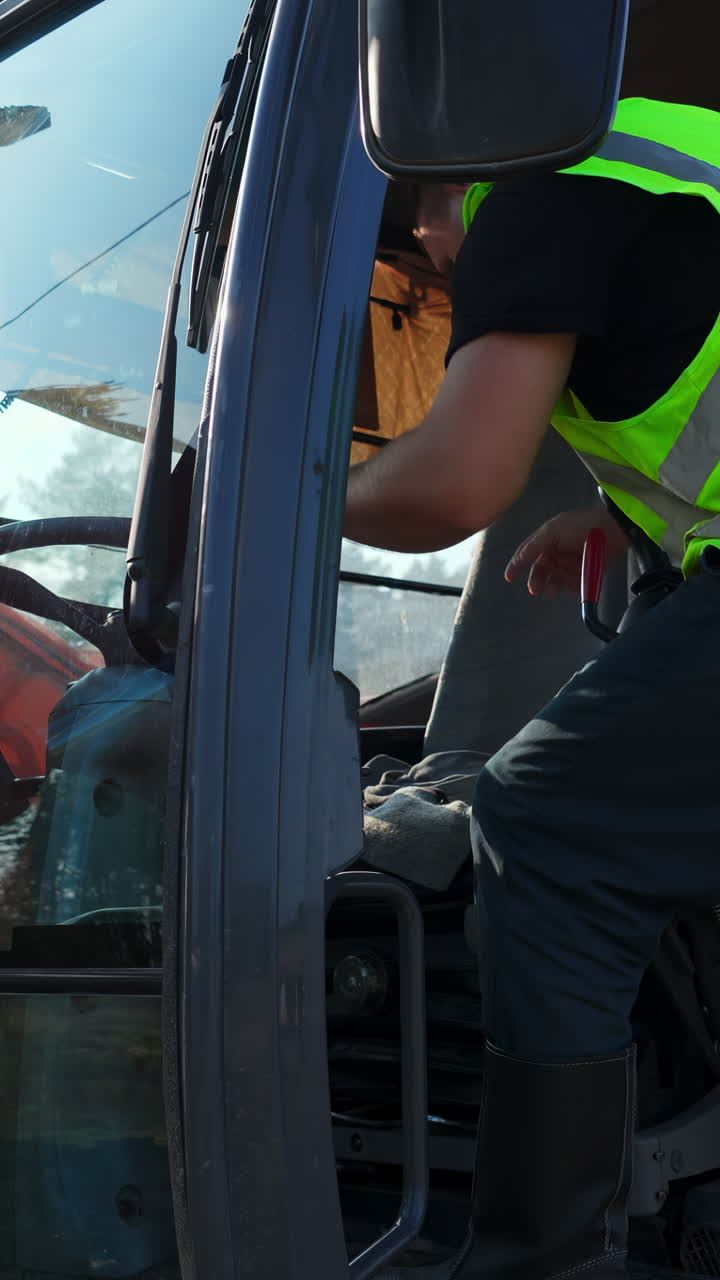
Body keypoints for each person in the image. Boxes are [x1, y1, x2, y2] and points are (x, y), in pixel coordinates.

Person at [344, 2, 720, 1277]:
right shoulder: (666, 160)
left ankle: (539, 1257)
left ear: (435, 181)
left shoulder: (528, 190)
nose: (440, 266)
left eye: (422, 237)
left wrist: (274, 498)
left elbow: (456, 482)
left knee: (546, 825)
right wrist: (633, 533)